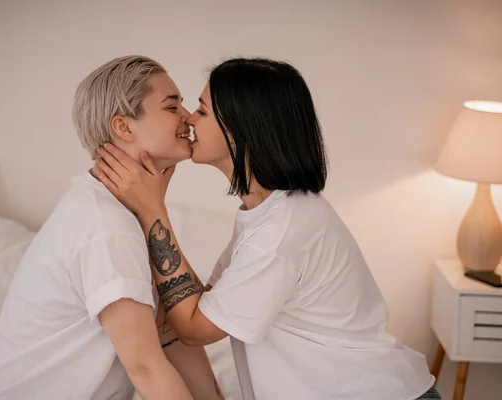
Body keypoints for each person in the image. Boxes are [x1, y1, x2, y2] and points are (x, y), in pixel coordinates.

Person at [92, 57, 441, 400]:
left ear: (239, 128)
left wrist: (153, 211)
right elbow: (205, 305)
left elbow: (194, 328)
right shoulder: (264, 213)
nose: (189, 119)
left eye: (201, 109)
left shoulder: (283, 229)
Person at [0, 56, 223, 400]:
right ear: (123, 127)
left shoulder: (131, 212)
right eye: (172, 107)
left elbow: (171, 334)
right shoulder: (105, 225)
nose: (188, 117)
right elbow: (147, 370)